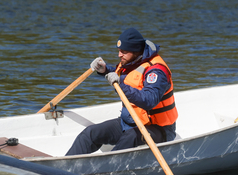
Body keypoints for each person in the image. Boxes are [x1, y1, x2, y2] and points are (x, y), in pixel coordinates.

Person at [65, 28, 178, 156]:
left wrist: (121, 85)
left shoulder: (156, 71)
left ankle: (104, 169)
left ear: (136, 50)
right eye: (119, 51)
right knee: (91, 133)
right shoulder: (132, 61)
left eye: (123, 52)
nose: (119, 55)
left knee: (130, 137)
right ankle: (65, 167)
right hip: (128, 123)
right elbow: (126, 77)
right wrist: (105, 70)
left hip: (158, 129)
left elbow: (149, 100)